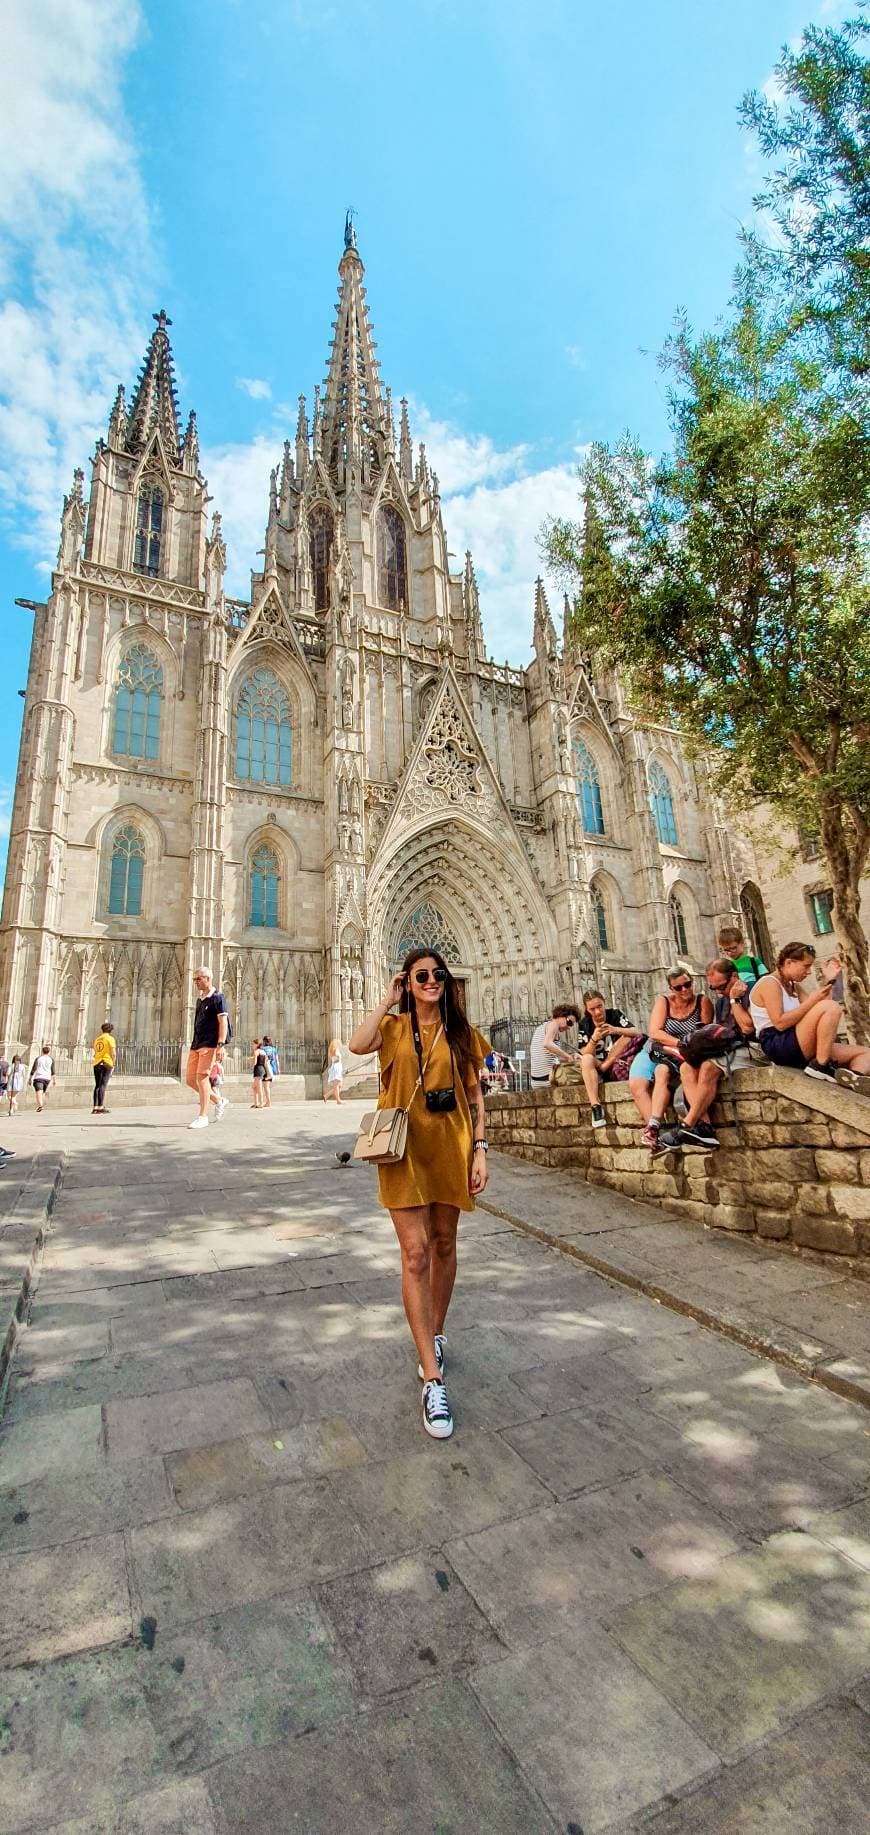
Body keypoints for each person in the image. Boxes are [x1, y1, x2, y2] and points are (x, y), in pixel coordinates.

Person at [349, 947, 490, 1441]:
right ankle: (432, 1376)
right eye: (420, 976)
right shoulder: (391, 1028)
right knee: (415, 1253)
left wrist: (480, 1150)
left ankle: (434, 1333)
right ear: (407, 981)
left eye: (437, 975)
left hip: (450, 1146)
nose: (430, 981)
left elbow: (475, 1096)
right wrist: (387, 1001)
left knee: (445, 1245)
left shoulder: (461, 1033)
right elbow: (356, 1044)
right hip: (402, 1147)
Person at [659, 959, 755, 1149]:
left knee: (708, 1067)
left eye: (721, 986)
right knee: (687, 1066)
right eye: (714, 988)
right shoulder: (720, 1002)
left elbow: (747, 1029)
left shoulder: (749, 991)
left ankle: (688, 1124)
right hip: (727, 1049)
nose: (718, 992)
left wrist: (735, 999)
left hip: (750, 1047)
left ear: (734, 977)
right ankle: (705, 1127)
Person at [750, 943, 870, 1085]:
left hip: (797, 1039)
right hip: (777, 1043)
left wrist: (829, 980)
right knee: (831, 1007)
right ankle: (820, 1066)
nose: (808, 972)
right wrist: (813, 1000)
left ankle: (852, 1082)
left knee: (866, 1054)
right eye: (806, 966)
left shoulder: (794, 986)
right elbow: (780, 1023)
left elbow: (823, 1011)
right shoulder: (769, 983)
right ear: (789, 963)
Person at [629, 970, 713, 1152]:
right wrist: (680, 1043)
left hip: (682, 1054)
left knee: (662, 1072)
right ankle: (655, 1133)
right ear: (671, 988)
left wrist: (686, 1048)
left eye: (687, 984)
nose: (684, 990)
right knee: (637, 1085)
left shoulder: (702, 1001)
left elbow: (705, 1032)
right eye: (678, 987)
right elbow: (655, 1032)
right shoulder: (664, 1002)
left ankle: (656, 1129)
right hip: (657, 1049)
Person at [576, 989, 639, 1128]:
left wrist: (614, 1029)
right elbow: (584, 1052)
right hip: (599, 1065)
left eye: (599, 1006)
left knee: (628, 1035)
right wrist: (594, 1039)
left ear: (604, 1003)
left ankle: (606, 1065)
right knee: (586, 1059)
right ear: (587, 1010)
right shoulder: (584, 1024)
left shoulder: (614, 1014)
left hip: (617, 1062)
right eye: (592, 1009)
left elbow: (635, 1031)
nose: (597, 1012)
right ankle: (596, 1107)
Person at [186, 966, 229, 1129]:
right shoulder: (200, 999)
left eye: (198, 979)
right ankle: (219, 1100)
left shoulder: (218, 997)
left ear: (208, 978)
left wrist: (220, 1045)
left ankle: (202, 1116)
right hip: (197, 1043)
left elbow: (223, 1022)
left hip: (210, 1044)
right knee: (191, 1080)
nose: (195, 982)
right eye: (194, 979)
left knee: (202, 1078)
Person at [529, 1005, 581, 1087]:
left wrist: (571, 1056)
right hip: (549, 1078)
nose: (568, 1027)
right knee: (582, 1075)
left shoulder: (541, 1027)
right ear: (561, 1015)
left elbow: (549, 1057)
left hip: (536, 1081)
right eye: (569, 1022)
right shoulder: (554, 1024)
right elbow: (547, 1044)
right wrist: (568, 1057)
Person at [91, 1020, 116, 1115]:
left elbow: (96, 1051)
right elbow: (113, 1053)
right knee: (103, 1085)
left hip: (97, 1063)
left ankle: (95, 1107)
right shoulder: (110, 1039)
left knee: (97, 1085)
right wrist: (113, 1064)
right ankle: (101, 1106)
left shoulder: (97, 1039)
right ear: (110, 1030)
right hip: (106, 1062)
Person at [29, 1043, 56, 1113]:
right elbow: (53, 1070)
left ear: (42, 1051)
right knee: (43, 1092)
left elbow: (33, 1068)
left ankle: (40, 1106)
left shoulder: (39, 1058)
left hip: (39, 1077)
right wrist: (54, 1080)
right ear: (49, 1052)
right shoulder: (51, 1059)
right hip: (47, 1078)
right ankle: (41, 1105)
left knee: (39, 1092)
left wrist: (30, 1078)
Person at [208, 1045, 229, 1120]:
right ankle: (219, 1100)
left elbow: (221, 1070)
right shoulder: (215, 1062)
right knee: (211, 1089)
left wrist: (222, 1078)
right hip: (211, 1076)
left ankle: (220, 1100)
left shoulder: (216, 1063)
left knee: (213, 1089)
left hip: (214, 1077)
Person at [251, 1038, 272, 1109]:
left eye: (253, 1044)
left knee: (259, 1088)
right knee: (254, 1087)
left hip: (258, 1070)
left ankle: (260, 1103)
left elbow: (254, 1063)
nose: (252, 1045)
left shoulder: (256, 1051)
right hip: (263, 1069)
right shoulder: (263, 1051)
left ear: (257, 1044)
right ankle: (256, 1103)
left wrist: (250, 1060)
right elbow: (265, 1062)